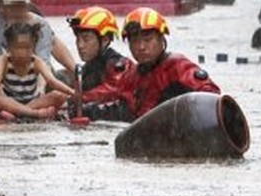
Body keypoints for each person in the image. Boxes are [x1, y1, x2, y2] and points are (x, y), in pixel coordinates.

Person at [83, 7, 220, 121]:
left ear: (161, 39)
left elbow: (211, 96)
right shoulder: (130, 76)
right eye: (135, 41)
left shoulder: (178, 67)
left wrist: (179, 107)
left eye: (147, 40)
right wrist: (90, 110)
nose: (141, 47)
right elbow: (123, 110)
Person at [0, 21, 74, 120]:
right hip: (10, 101)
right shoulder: (3, 60)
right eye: (18, 48)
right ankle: (34, 114)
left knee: (58, 95)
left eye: (27, 48)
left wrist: (73, 92)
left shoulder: (36, 61)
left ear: (33, 46)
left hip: (33, 102)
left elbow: (52, 81)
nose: (23, 53)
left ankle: (20, 113)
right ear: (9, 47)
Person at [67, 6, 134, 104]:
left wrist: (77, 99)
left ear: (105, 40)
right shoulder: (88, 68)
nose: (80, 45)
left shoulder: (119, 64)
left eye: (86, 39)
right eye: (78, 39)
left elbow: (113, 89)